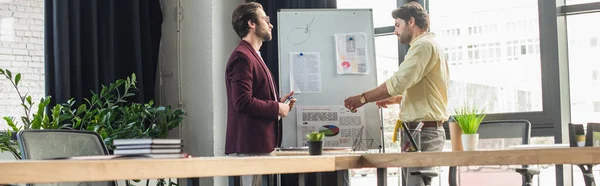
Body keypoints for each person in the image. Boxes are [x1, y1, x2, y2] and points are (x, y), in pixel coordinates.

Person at [343, 2, 449, 185]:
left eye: (397, 25)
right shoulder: (428, 45)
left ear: (411, 22)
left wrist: (363, 98)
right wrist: (399, 99)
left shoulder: (423, 46)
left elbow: (399, 82)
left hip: (423, 132)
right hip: (417, 132)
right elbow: (427, 90)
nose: (395, 31)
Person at [225, 2, 296, 186]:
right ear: (252, 24)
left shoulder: (252, 55)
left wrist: (278, 103)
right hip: (251, 147)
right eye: (265, 19)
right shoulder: (242, 56)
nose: (270, 24)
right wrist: (276, 108)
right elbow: (242, 102)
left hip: (260, 145)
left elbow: (250, 99)